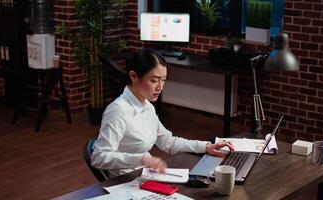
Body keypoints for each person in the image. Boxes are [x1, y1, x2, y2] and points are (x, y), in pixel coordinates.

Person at [91, 48, 234, 177]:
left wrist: (205, 146)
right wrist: (140, 159)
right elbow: (98, 157)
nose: (160, 87)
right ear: (134, 76)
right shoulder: (118, 111)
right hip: (125, 182)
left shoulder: (147, 105)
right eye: (154, 80)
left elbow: (168, 142)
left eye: (163, 80)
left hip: (144, 175)